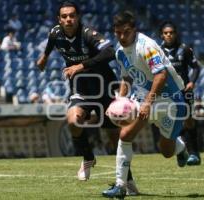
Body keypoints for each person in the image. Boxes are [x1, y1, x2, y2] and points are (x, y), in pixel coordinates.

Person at [36, 2, 138, 194]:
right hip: (81, 87)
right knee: (73, 122)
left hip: (104, 87)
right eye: (64, 16)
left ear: (78, 17)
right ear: (59, 19)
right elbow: (51, 42)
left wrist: (81, 66)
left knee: (114, 136)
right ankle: (88, 157)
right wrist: (44, 57)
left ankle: (128, 180)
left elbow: (109, 52)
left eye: (72, 15)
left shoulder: (88, 34)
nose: (68, 19)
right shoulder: (55, 32)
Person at [102, 11, 189, 198]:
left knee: (166, 151)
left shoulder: (147, 46)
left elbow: (161, 75)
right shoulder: (119, 50)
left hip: (170, 102)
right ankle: (121, 186)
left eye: (126, 32)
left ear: (134, 29)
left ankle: (180, 148)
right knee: (125, 134)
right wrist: (121, 99)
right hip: (142, 98)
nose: (122, 37)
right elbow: (126, 76)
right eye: (118, 33)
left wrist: (148, 103)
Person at [154, 21, 201, 165]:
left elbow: (196, 67)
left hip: (184, 91)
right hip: (167, 93)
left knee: (188, 121)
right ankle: (181, 152)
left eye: (171, 32)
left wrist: (192, 81)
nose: (168, 35)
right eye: (166, 33)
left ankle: (194, 154)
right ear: (162, 35)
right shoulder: (157, 51)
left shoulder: (185, 49)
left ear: (175, 34)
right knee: (173, 122)